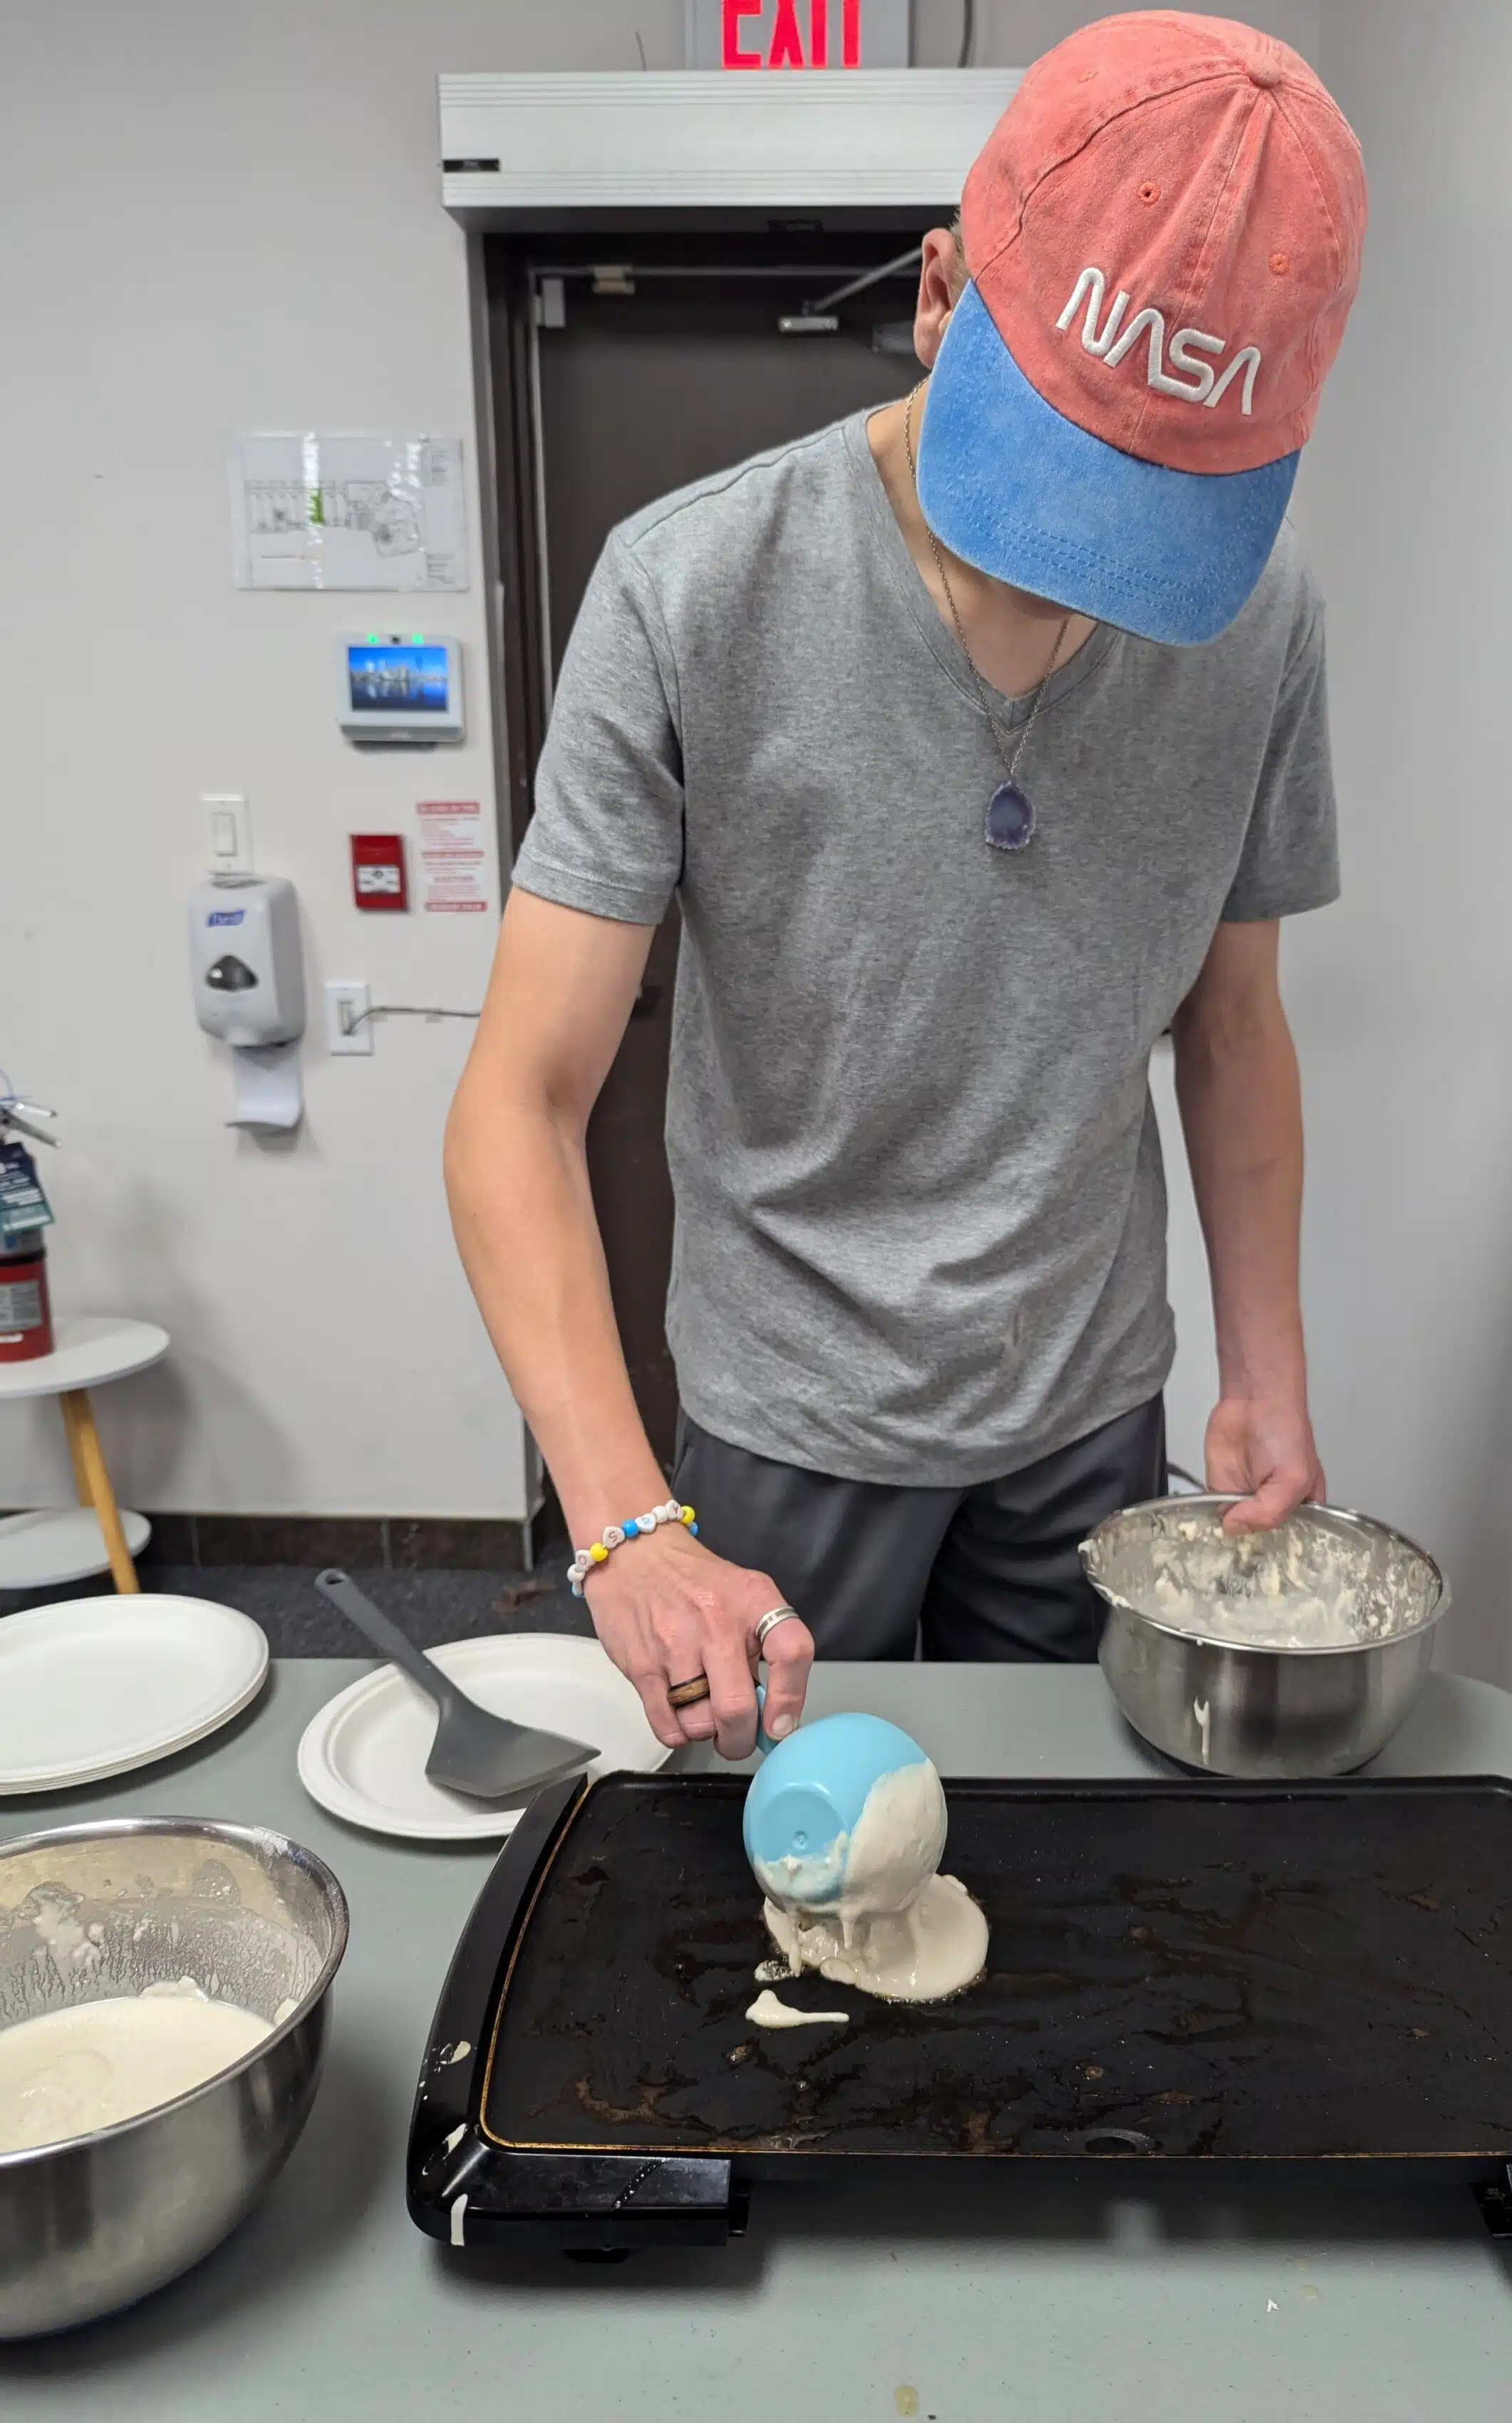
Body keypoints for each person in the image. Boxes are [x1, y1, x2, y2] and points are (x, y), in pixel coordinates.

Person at [445, 11, 1366, 1766]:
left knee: (1062, 1842)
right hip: (791, 1407)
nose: (1080, 568)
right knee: (781, 1847)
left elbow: (1233, 1023)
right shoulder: (687, 586)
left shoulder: (1262, 620)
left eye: (1153, 511)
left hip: (1087, 1398)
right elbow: (518, 1098)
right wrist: (626, 1525)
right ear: (938, 292)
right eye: (1059, 472)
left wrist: (1262, 1366)